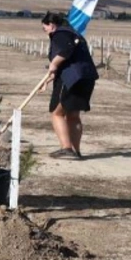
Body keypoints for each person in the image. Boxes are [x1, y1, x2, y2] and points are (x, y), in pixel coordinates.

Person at [41, 12, 98, 159]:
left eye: (44, 28)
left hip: (71, 79)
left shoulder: (60, 34)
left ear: (51, 25)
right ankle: (76, 151)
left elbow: (66, 50)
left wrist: (54, 64)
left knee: (57, 113)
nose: (45, 31)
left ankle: (66, 148)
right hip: (87, 77)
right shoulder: (74, 34)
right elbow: (71, 57)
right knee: (73, 115)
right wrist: (50, 78)